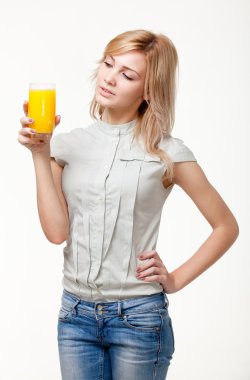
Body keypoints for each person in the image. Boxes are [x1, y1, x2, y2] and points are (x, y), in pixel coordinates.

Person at [17, 29, 239, 380]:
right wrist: (40, 155)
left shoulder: (167, 153)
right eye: (109, 63)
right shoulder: (67, 146)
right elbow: (57, 232)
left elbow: (226, 226)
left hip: (138, 318)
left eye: (127, 74)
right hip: (75, 317)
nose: (110, 77)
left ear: (148, 90)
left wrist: (176, 279)